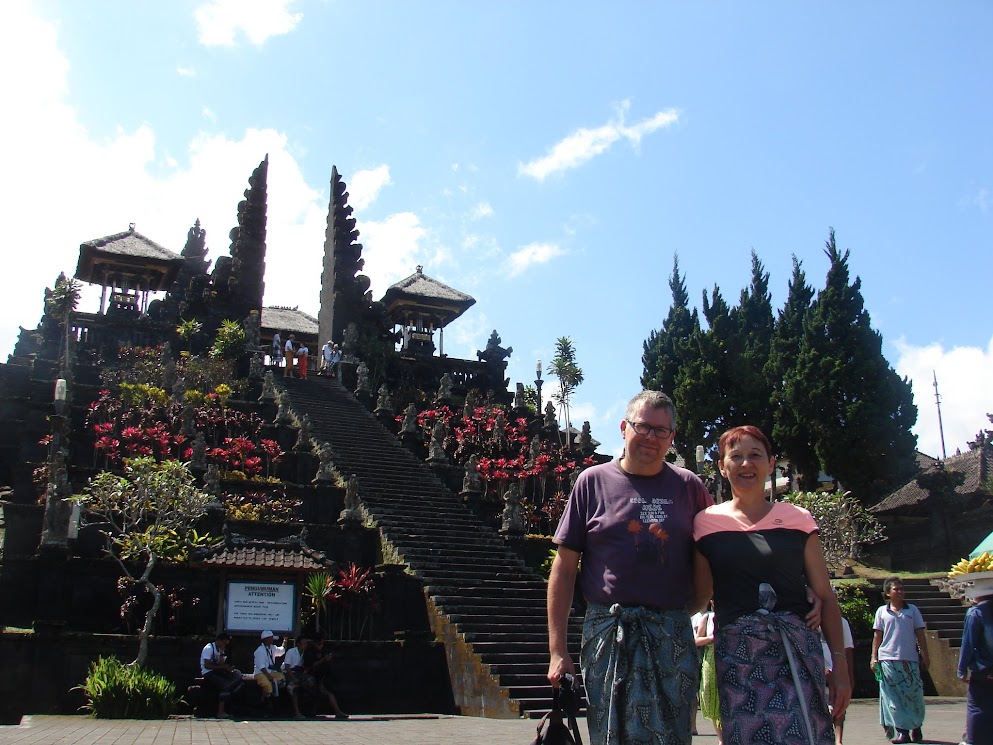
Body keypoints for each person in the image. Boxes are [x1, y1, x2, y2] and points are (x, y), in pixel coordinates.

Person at [547, 390, 713, 744]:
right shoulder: (592, 483)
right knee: (610, 733)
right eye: (643, 427)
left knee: (674, 732)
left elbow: (710, 557)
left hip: (670, 634)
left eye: (661, 431)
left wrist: (689, 610)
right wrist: (558, 651)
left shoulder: (690, 487)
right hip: (609, 631)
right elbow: (563, 569)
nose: (651, 437)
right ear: (624, 428)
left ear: (672, 438)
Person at [693, 425, 850, 745]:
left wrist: (841, 668)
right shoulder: (705, 524)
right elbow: (699, 595)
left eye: (755, 455)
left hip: (795, 653)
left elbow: (825, 595)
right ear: (722, 467)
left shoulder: (799, 519)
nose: (746, 464)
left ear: (771, 463)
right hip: (738, 660)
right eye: (735, 457)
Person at [872, 577, 929, 743]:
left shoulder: (912, 610)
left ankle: (916, 728)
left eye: (901, 589)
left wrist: (925, 655)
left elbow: (920, 634)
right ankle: (901, 731)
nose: (900, 592)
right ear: (888, 593)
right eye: (896, 589)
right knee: (894, 698)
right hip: (888, 659)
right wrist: (873, 657)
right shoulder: (882, 612)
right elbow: (877, 636)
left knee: (914, 695)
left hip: (909, 659)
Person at [958, 592, 993, 745]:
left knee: (977, 708)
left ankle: (973, 741)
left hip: (983, 668)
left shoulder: (975, 613)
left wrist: (962, 669)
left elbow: (968, 644)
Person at [821, 610, 855, 745]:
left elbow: (847, 649)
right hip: (817, 668)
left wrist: (848, 674)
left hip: (836, 668)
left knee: (839, 704)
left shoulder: (841, 623)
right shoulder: (808, 619)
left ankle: (838, 739)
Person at [199, 632, 244, 718]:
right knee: (225, 686)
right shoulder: (209, 648)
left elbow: (220, 664)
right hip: (208, 672)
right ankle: (220, 712)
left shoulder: (220, 649)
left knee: (237, 675)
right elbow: (207, 665)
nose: (224, 645)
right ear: (219, 640)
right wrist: (223, 666)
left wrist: (222, 655)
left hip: (217, 671)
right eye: (224, 643)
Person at [695, 601, 722, 745]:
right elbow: (697, 640)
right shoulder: (707, 617)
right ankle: (721, 738)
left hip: (726, 657)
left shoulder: (730, 614)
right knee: (710, 697)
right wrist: (710, 639)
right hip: (710, 660)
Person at [304, 637, 349, 719]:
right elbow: (311, 665)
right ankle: (311, 712)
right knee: (313, 692)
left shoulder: (322, 651)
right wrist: (323, 660)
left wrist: (327, 658)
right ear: (315, 643)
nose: (321, 646)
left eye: (322, 644)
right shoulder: (310, 652)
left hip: (322, 677)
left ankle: (337, 712)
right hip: (312, 677)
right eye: (319, 644)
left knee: (328, 693)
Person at [253, 630, 286, 701]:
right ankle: (265, 702)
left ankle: (275, 698)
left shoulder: (272, 648)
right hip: (260, 673)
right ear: (266, 639)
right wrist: (269, 677)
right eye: (271, 638)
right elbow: (262, 667)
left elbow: (281, 651)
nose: (273, 639)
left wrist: (285, 641)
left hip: (270, 672)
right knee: (268, 686)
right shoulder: (260, 651)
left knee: (282, 679)